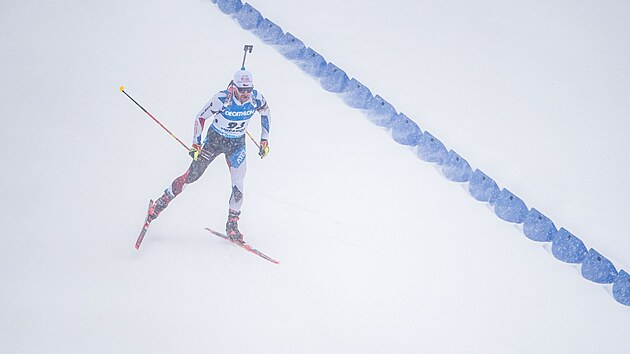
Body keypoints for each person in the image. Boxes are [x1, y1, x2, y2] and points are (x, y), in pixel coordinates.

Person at [146, 68, 270, 242]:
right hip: (214, 141)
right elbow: (200, 118)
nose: (245, 94)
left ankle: (232, 226)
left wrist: (264, 140)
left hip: (237, 145)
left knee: (238, 187)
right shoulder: (222, 99)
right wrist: (196, 143)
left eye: (249, 89)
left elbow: (266, 113)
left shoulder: (257, 98)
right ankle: (160, 204)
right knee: (192, 176)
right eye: (242, 90)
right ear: (234, 87)